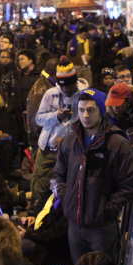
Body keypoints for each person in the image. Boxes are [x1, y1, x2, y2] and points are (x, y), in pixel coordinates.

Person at [52, 88, 133, 263]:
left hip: (102, 228)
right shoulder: (69, 141)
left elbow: (129, 187)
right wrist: (67, 199)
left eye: (90, 110)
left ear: (101, 110)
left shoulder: (117, 143)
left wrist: (105, 209)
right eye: (81, 109)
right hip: (75, 226)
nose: (85, 115)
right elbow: (58, 176)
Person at [33, 59, 84, 206]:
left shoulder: (84, 95)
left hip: (71, 150)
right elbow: (38, 119)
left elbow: (88, 124)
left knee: (65, 184)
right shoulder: (50, 94)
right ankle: (36, 214)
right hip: (48, 148)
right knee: (40, 182)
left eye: (69, 86)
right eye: (62, 86)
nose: (65, 90)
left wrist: (68, 139)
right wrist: (56, 116)